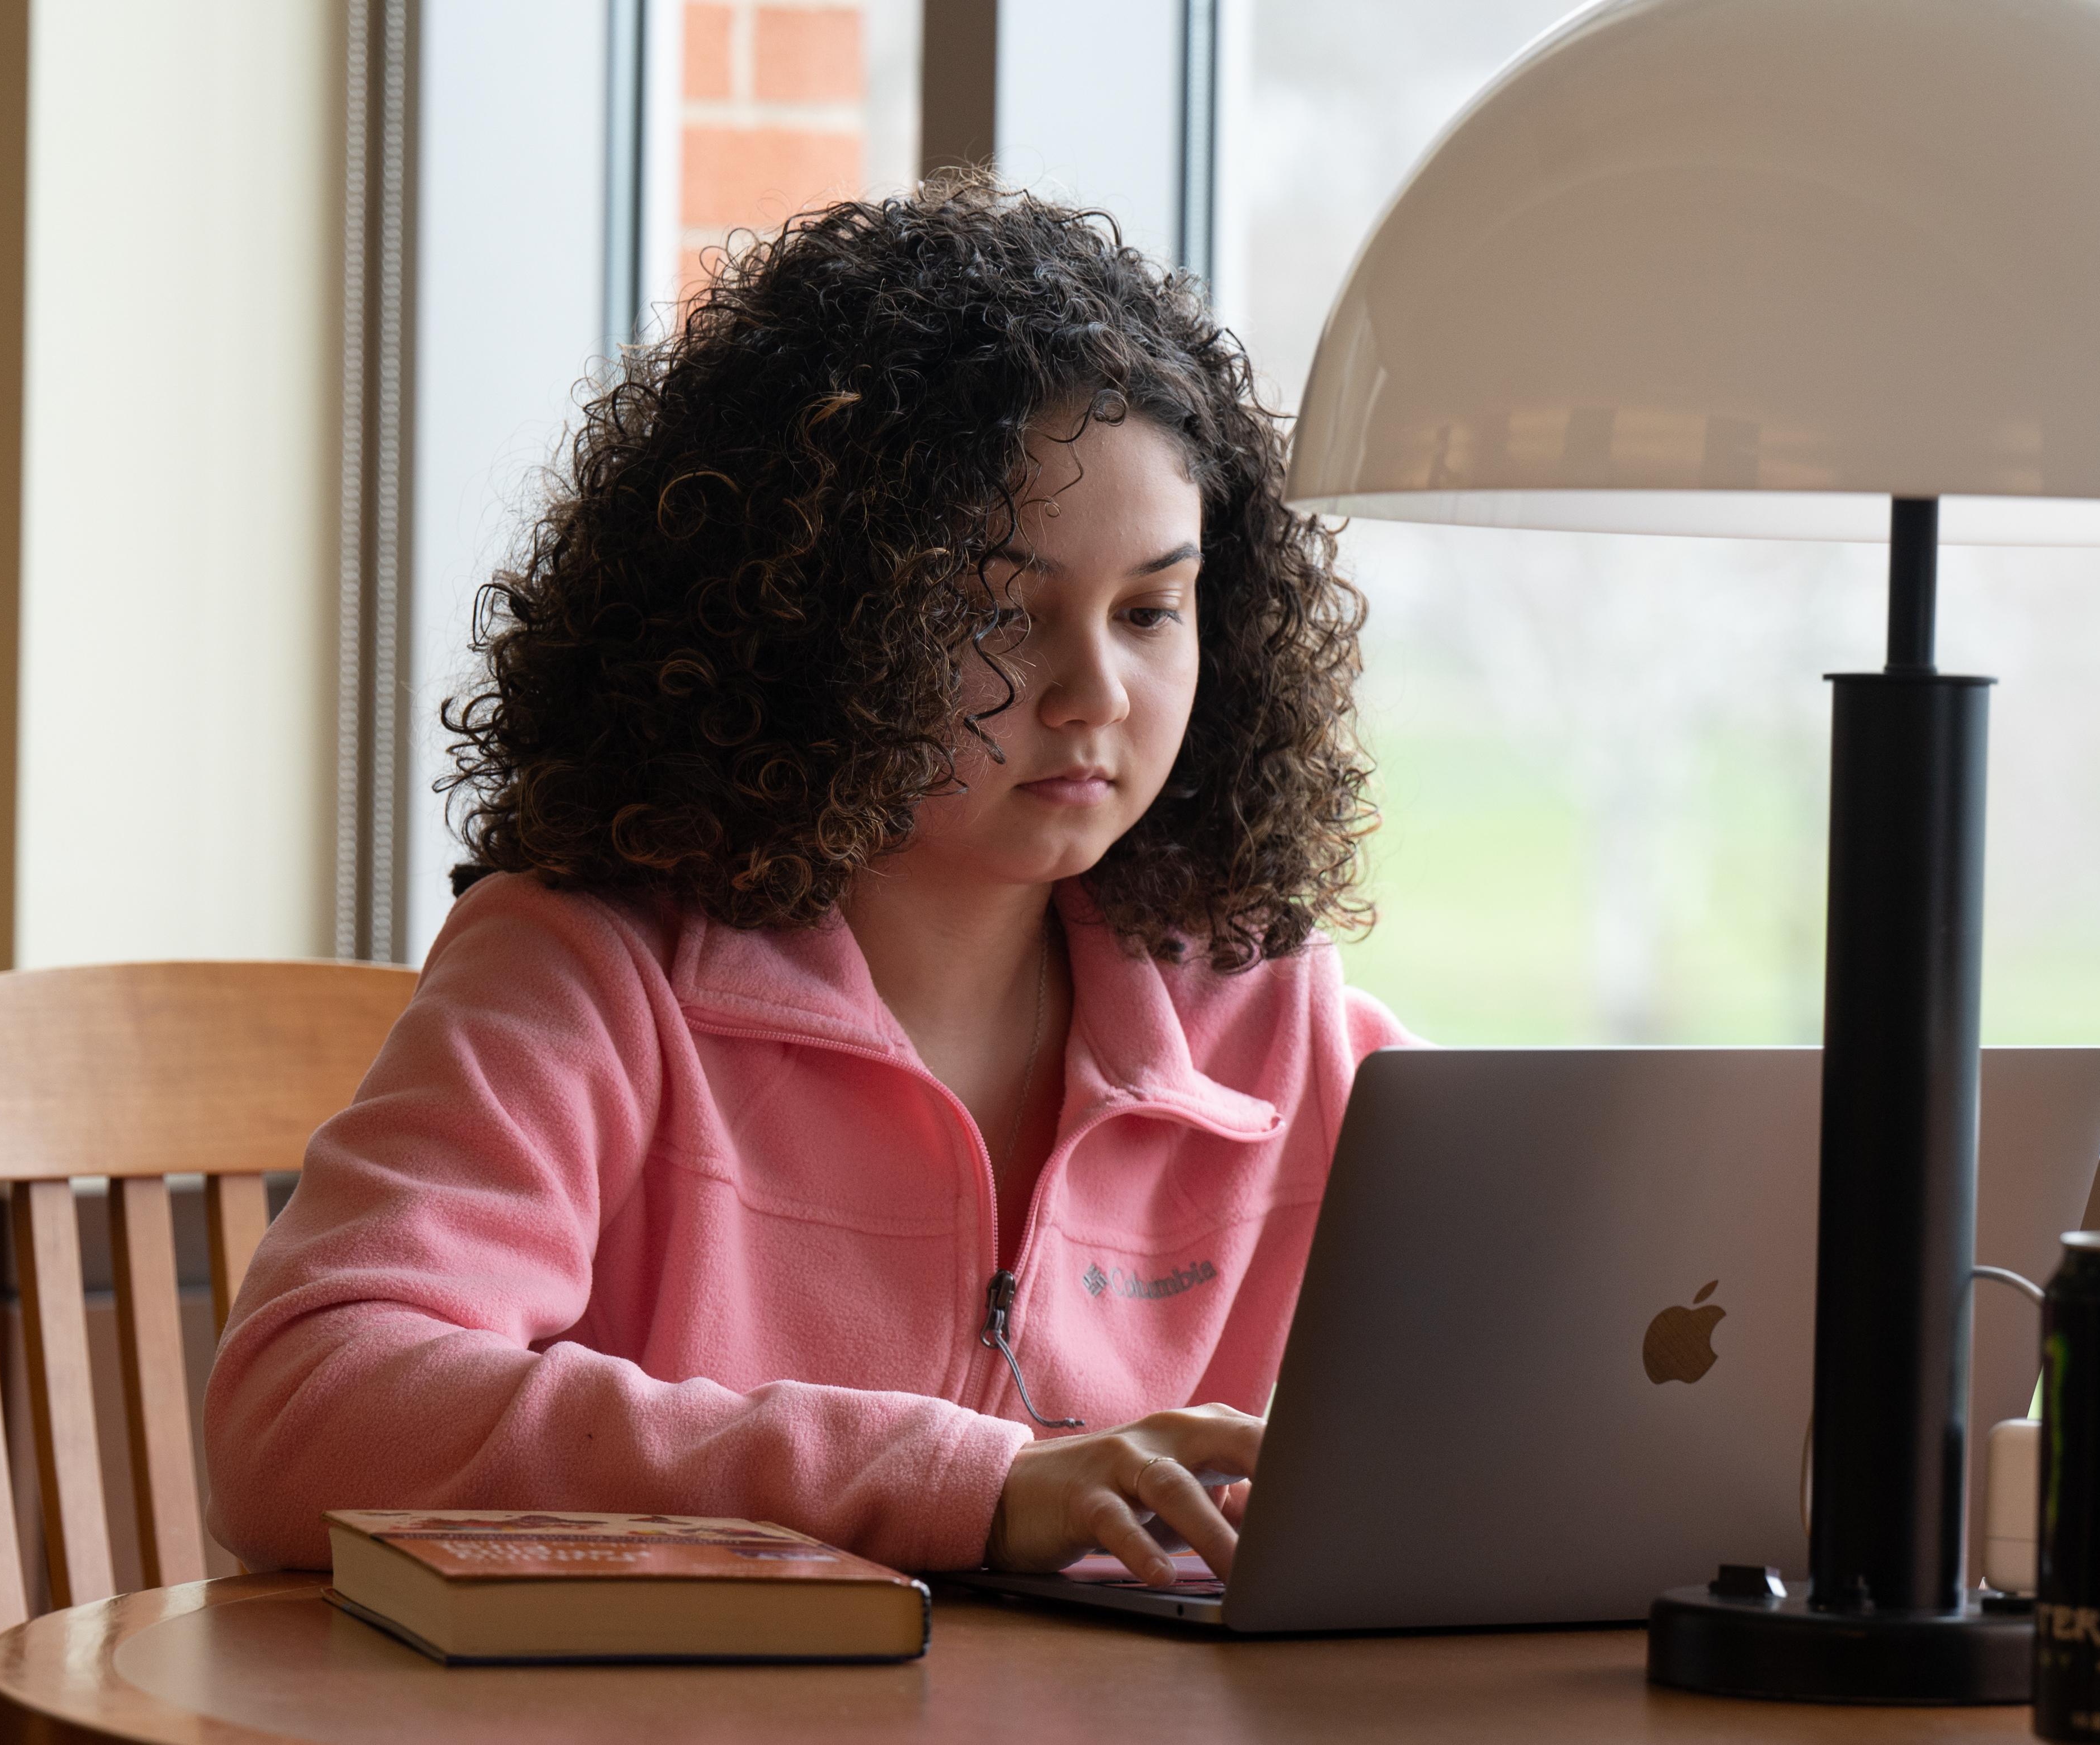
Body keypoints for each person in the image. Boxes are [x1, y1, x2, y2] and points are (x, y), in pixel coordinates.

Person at [203, 181, 1409, 1589]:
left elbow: (1594, 1361)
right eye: (994, 612)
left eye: (1150, 610)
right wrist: (961, 1484)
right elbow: (302, 1408)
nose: (1095, 693)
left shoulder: (1277, 1023)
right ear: (818, 619)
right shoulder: (591, 973)